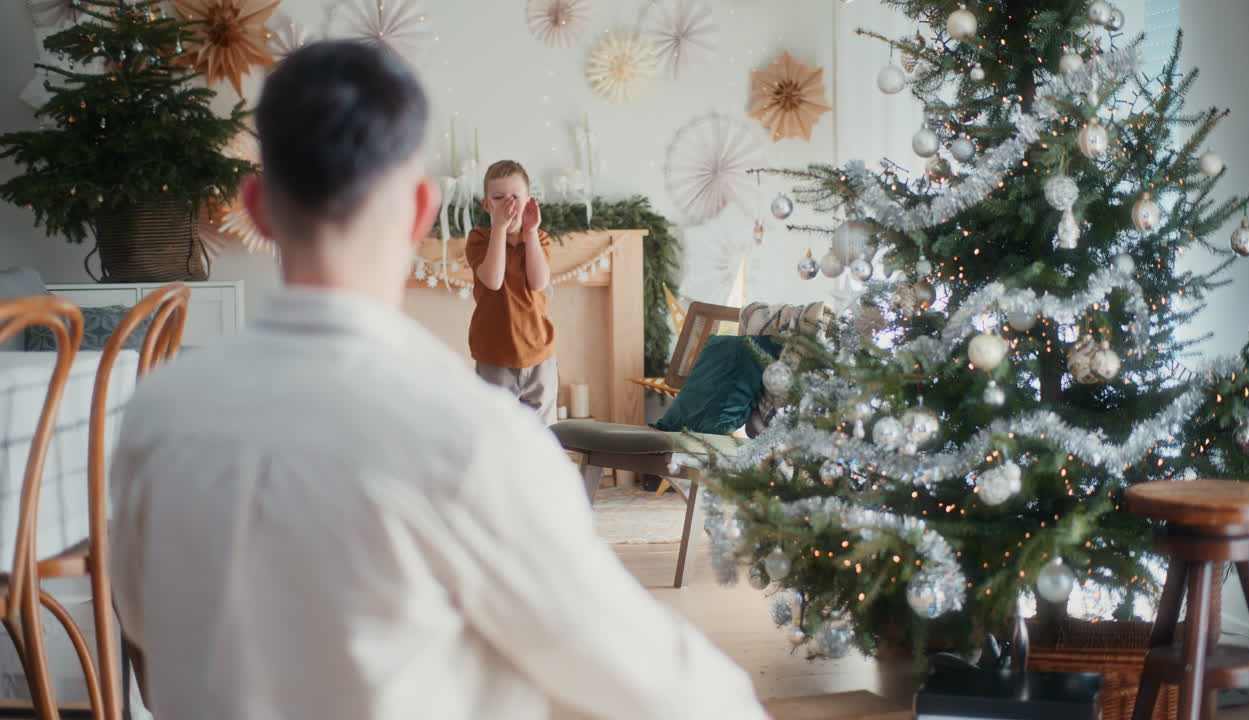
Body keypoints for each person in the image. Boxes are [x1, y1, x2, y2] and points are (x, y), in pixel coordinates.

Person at [108, 40, 769, 720]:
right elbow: (663, 686)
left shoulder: (153, 414)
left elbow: (145, 646)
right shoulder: (476, 439)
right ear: (422, 208)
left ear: (257, 207)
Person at [465, 160, 558, 425]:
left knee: (543, 435)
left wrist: (529, 231)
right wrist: (499, 228)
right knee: (496, 430)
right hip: (494, 357)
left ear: (529, 201)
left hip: (539, 355)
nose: (509, 205)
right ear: (487, 205)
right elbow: (493, 281)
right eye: (498, 198)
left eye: (515, 197)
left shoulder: (539, 239)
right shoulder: (480, 238)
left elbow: (539, 282)